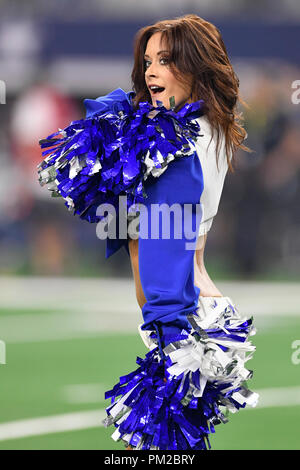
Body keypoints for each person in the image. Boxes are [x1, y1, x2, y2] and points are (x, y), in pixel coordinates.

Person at [37, 14, 259, 451]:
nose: (150, 71)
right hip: (196, 310)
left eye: (166, 60)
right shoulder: (205, 130)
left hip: (181, 317)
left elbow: (165, 242)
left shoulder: (176, 147)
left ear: (196, 67)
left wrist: (170, 333)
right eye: (147, 60)